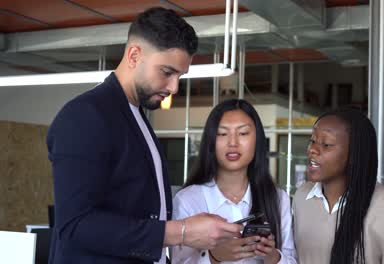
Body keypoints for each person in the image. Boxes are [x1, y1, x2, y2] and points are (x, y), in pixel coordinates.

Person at [46, 7, 242, 264]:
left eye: (179, 76)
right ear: (134, 55)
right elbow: (76, 225)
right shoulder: (85, 116)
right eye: (167, 72)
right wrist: (181, 232)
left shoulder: (136, 116)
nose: (173, 87)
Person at [171, 99, 297, 264]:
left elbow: (292, 260)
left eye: (243, 133)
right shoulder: (188, 200)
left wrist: (272, 256)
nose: (233, 143)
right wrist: (214, 256)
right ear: (211, 141)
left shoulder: (277, 199)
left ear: (257, 140)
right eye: (222, 134)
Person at [293, 108, 384, 264]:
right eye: (312, 141)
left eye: (326, 144)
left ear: (354, 153)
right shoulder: (302, 197)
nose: (312, 150)